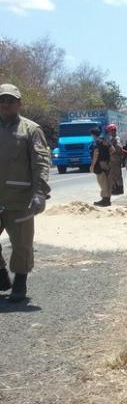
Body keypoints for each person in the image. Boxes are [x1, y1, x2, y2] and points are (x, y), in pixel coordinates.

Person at [0, 84, 50, 303]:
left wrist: (40, 192)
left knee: (21, 244)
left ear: (19, 104)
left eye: (10, 100)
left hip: (19, 199)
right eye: (2, 100)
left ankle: (20, 283)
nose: (5, 104)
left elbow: (41, 161)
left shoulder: (31, 130)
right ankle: (1, 276)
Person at [90, 128, 114, 206]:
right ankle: (108, 199)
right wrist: (108, 157)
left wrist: (92, 165)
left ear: (93, 135)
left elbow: (96, 153)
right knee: (108, 181)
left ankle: (105, 200)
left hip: (100, 163)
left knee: (102, 181)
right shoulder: (105, 140)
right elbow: (112, 149)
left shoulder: (96, 142)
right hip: (107, 162)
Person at [106, 124, 124, 195]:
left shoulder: (116, 139)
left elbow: (119, 147)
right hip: (113, 159)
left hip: (115, 159)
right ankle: (115, 187)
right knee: (113, 174)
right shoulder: (113, 138)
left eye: (110, 131)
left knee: (117, 174)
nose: (109, 132)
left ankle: (119, 188)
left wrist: (113, 151)